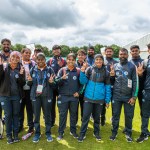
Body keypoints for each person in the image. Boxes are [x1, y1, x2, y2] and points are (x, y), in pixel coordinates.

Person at [78, 54, 111, 142]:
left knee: (97, 118)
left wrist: (107, 100)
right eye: (97, 59)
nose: (98, 61)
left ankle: (96, 133)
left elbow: (108, 87)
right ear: (94, 61)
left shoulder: (106, 72)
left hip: (99, 99)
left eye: (100, 59)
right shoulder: (89, 69)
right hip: (88, 98)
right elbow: (83, 81)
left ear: (103, 61)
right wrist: (82, 71)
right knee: (85, 117)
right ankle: (82, 133)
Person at [109, 48, 138, 142]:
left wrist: (134, 97)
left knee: (129, 116)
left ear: (127, 55)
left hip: (128, 97)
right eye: (121, 54)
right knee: (115, 115)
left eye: (124, 54)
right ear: (118, 55)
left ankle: (128, 133)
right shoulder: (115, 66)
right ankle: (114, 132)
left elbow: (135, 82)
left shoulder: (132, 66)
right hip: (116, 96)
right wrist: (112, 76)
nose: (122, 56)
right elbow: (111, 82)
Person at [27, 53, 55, 143]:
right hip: (35, 96)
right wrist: (29, 81)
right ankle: (37, 133)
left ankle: (48, 133)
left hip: (47, 96)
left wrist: (51, 82)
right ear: (36, 60)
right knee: (36, 116)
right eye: (38, 59)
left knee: (47, 115)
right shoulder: (33, 69)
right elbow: (29, 83)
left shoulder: (50, 70)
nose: (40, 61)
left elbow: (54, 84)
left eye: (42, 59)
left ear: (44, 60)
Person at [0, 51, 25, 144]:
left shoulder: (20, 68)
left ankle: (15, 135)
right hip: (5, 96)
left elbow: (23, 83)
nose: (15, 59)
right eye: (13, 57)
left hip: (16, 96)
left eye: (17, 57)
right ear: (10, 57)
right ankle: (9, 136)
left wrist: (21, 75)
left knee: (16, 115)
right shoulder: (4, 66)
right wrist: (0, 66)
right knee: (8, 115)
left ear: (19, 59)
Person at [55, 53, 81, 140]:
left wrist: (79, 92)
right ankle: (61, 132)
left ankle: (73, 131)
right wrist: (62, 78)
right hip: (63, 97)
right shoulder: (62, 70)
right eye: (69, 59)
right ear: (66, 60)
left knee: (73, 115)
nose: (71, 61)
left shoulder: (78, 71)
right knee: (63, 115)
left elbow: (82, 84)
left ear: (75, 60)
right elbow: (56, 82)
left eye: (72, 60)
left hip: (74, 97)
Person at [47, 45, 66, 127]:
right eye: (54, 50)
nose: (56, 51)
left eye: (58, 50)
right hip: (52, 86)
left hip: (61, 86)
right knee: (51, 105)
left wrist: (61, 65)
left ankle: (62, 122)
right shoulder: (50, 61)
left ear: (60, 51)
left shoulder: (64, 61)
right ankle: (52, 121)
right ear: (52, 51)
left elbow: (67, 71)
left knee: (61, 105)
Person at [19, 48, 36, 133]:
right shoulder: (18, 63)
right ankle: (20, 125)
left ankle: (31, 126)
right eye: (26, 53)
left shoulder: (33, 64)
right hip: (20, 90)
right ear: (22, 53)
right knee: (20, 109)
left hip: (30, 90)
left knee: (30, 109)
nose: (28, 55)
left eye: (29, 53)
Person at [136, 43, 150, 143]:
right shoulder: (145, 62)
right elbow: (142, 78)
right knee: (145, 114)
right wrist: (140, 74)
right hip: (147, 91)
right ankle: (144, 133)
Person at [101, 47, 118, 126]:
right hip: (104, 86)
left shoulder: (116, 62)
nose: (109, 53)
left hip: (114, 86)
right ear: (105, 52)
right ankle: (102, 118)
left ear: (113, 52)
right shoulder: (102, 61)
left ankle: (113, 119)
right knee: (103, 103)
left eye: (110, 51)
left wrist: (113, 75)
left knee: (114, 104)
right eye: (107, 51)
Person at [0, 38, 12, 131]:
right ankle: (1, 130)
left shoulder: (13, 55)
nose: (6, 46)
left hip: (10, 88)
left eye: (8, 44)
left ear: (10, 45)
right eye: (4, 44)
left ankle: (11, 128)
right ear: (2, 45)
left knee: (10, 111)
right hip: (1, 86)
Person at [129, 45, 144, 117]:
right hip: (131, 90)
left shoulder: (144, 62)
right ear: (130, 52)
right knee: (130, 109)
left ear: (139, 51)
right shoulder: (128, 63)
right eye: (133, 51)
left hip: (142, 89)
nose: (135, 52)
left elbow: (147, 77)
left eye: (136, 51)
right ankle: (128, 127)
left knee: (143, 110)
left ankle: (144, 128)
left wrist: (140, 74)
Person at [76, 49, 87, 124]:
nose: (80, 56)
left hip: (84, 90)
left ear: (85, 56)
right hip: (75, 89)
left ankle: (83, 120)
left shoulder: (88, 65)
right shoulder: (73, 64)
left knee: (84, 107)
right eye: (79, 55)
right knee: (75, 107)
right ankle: (75, 121)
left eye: (82, 55)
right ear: (77, 56)